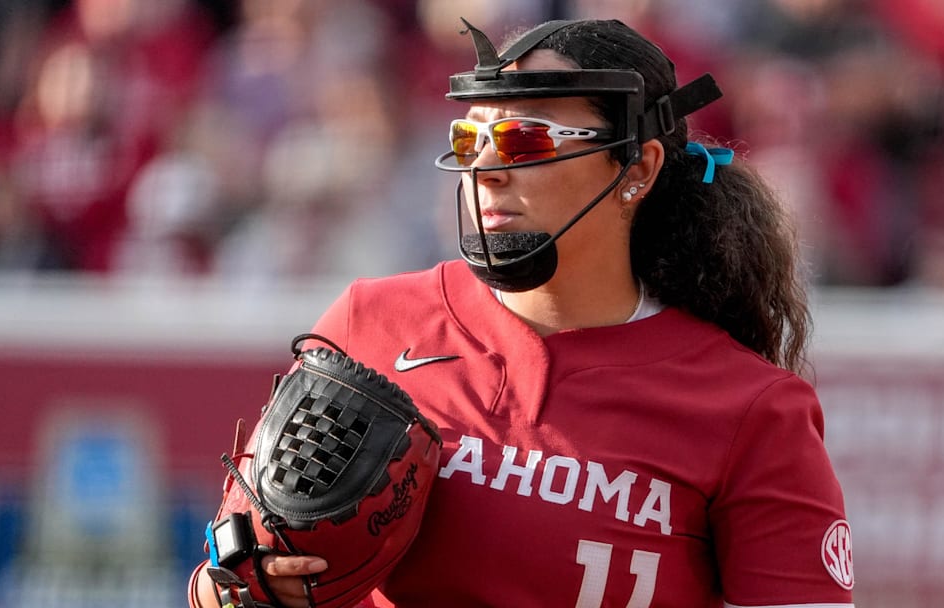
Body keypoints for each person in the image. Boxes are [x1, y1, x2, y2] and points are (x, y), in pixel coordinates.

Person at [190, 17, 855, 608]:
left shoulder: (751, 410)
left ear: (638, 168)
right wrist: (242, 586)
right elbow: (225, 571)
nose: (486, 168)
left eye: (523, 139)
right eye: (472, 137)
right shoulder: (372, 320)